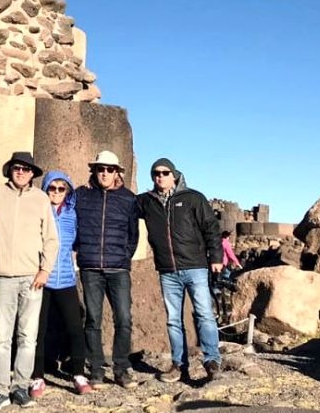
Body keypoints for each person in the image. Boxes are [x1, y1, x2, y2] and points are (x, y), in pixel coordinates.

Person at [136, 158, 223, 383]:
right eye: (156, 173)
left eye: (165, 173)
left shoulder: (193, 198)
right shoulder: (147, 201)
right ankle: (179, 365)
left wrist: (216, 257)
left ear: (174, 175)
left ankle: (212, 360)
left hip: (195, 267)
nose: (160, 177)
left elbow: (211, 227)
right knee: (173, 320)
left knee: (204, 314)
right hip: (168, 270)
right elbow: (122, 205)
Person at [0, 151, 59, 412]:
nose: (21, 172)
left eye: (26, 169)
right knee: (2, 337)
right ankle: (0, 389)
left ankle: (20, 386)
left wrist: (45, 270)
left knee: (27, 336)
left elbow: (51, 239)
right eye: (17, 168)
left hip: (31, 277)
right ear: (10, 170)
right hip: (3, 277)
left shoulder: (40, 199)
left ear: (32, 173)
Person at [74, 150, 138, 387]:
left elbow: (133, 235)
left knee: (124, 318)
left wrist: (123, 257)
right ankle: (97, 369)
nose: (104, 173)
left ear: (116, 172)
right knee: (93, 319)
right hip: (90, 267)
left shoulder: (128, 199)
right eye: (100, 168)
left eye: (109, 169)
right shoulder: (82, 196)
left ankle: (121, 368)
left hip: (118, 269)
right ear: (94, 170)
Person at [31, 171, 92, 397]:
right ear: (45, 189)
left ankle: (78, 374)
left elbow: (76, 241)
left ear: (67, 191)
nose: (56, 193)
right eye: (52, 188)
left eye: (61, 188)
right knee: (38, 329)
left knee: (75, 328)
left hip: (65, 278)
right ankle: (37, 377)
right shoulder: (38, 212)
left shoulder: (71, 214)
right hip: (41, 279)